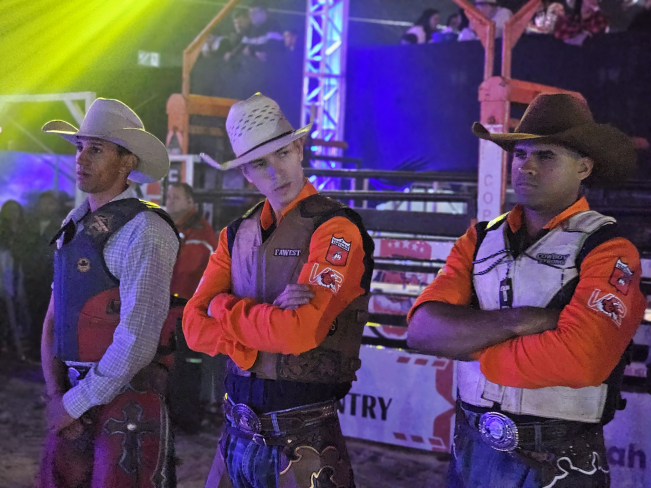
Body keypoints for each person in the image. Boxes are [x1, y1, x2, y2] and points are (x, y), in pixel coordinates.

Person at [407, 93, 647, 488]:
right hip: (472, 447)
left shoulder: (608, 248)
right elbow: (422, 331)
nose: (526, 167)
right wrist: (520, 320)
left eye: (545, 155)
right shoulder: (478, 238)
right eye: (520, 154)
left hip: (563, 456)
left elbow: (580, 360)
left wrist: (474, 347)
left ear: (584, 167)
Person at [183, 93, 375, 488]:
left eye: (282, 153)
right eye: (259, 163)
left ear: (299, 149)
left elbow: (299, 333)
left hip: (305, 438)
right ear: (246, 173)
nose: (275, 171)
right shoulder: (235, 233)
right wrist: (267, 322)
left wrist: (222, 307)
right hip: (235, 433)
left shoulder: (337, 228)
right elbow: (192, 328)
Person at [37, 98, 180, 487]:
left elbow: (138, 340)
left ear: (127, 162)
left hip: (125, 403)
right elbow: (54, 318)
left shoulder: (146, 229)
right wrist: (56, 394)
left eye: (96, 149)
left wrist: (70, 404)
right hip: (71, 396)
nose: (81, 158)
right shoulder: (75, 222)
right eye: (80, 146)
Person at [165, 181, 221, 434]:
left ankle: (188, 419)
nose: (170, 201)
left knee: (188, 366)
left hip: (188, 309)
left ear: (191, 202)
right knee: (178, 365)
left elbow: (184, 270)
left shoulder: (198, 231)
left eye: (176, 197)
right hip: (176, 309)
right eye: (169, 196)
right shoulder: (176, 228)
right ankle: (178, 416)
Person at [24, 191, 64, 360]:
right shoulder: (29, 224)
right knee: (32, 313)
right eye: (44, 203)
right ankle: (34, 349)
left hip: (51, 277)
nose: (47, 207)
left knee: (47, 315)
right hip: (31, 276)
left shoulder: (62, 225)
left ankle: (45, 353)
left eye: (50, 203)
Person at [0, 199, 30, 360]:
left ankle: (17, 345)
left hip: (22, 273)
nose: (13, 214)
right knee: (7, 310)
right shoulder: (2, 232)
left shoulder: (25, 230)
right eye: (9, 210)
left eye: (15, 210)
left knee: (19, 308)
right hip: (6, 272)